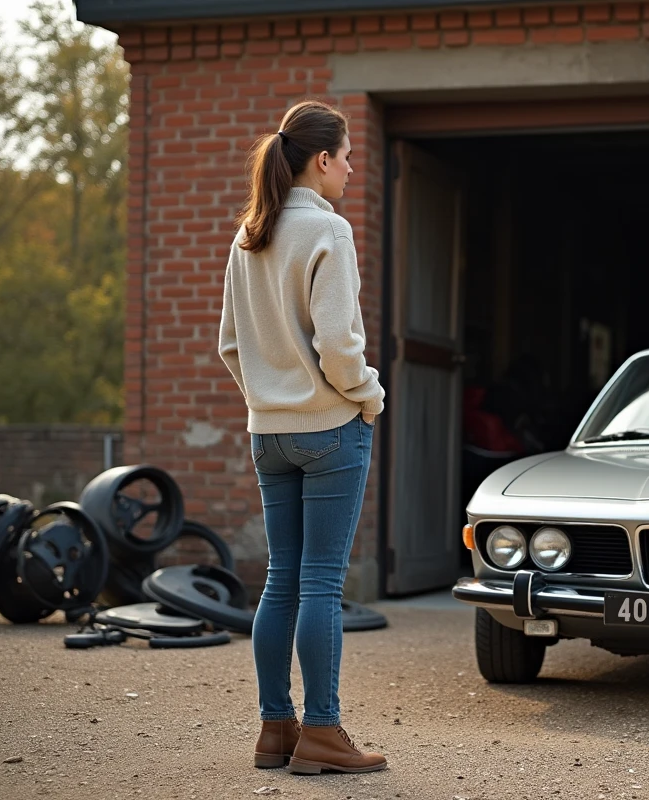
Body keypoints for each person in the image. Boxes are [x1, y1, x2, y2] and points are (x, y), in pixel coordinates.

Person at [218, 100, 388, 775]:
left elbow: (231, 345)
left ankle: (274, 730)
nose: (350, 169)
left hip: (269, 435)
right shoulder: (329, 230)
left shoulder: (248, 236)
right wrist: (369, 398)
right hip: (329, 431)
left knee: (281, 582)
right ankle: (321, 732)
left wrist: (269, 400)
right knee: (321, 581)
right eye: (347, 157)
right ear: (322, 160)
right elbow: (342, 349)